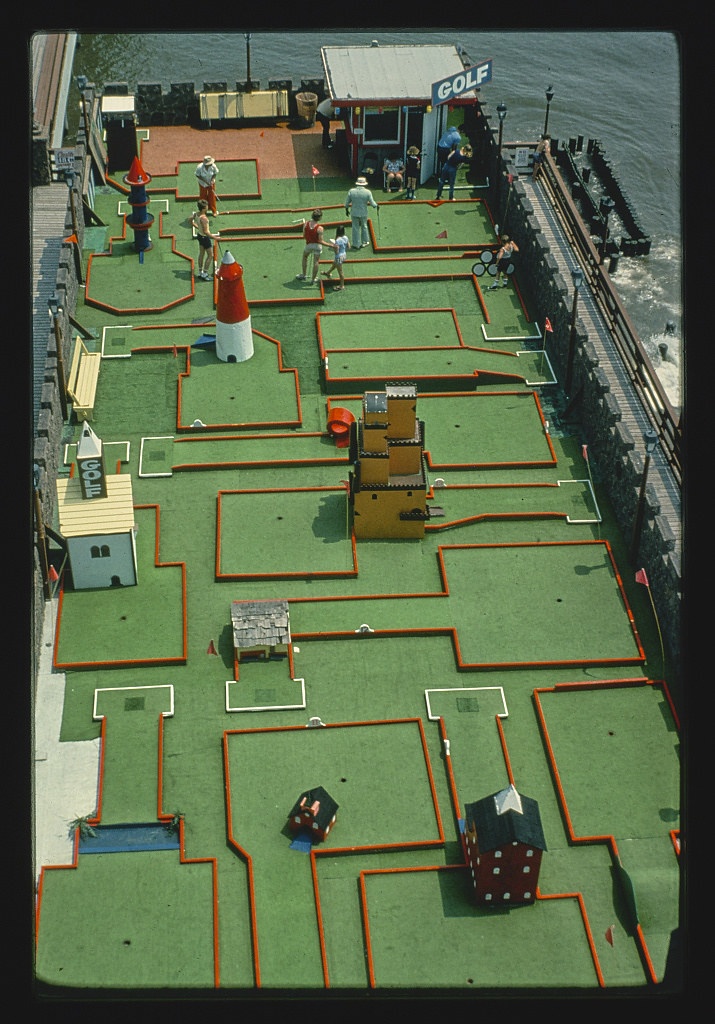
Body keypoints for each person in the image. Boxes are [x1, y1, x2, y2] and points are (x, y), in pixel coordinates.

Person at [344, 176, 379, 250]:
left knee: (355, 227)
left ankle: (356, 244)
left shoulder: (351, 191)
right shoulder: (368, 192)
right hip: (363, 212)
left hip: (354, 212)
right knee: (364, 226)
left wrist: (347, 210)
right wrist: (376, 206)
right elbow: (372, 203)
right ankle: (365, 241)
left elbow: (347, 203)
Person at [191, 200, 220, 280]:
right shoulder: (204, 219)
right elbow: (206, 232)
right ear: (204, 208)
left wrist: (197, 226)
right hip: (204, 238)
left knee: (201, 254)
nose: (208, 207)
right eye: (207, 206)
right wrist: (215, 238)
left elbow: (190, 220)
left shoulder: (196, 214)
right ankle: (205, 273)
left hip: (199, 236)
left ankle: (200, 272)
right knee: (210, 255)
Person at [296, 209, 324, 285]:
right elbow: (320, 241)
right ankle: (313, 279)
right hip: (317, 246)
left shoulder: (306, 224)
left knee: (305, 257)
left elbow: (304, 236)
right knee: (316, 261)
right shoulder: (320, 228)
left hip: (309, 245)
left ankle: (304, 275)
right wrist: (331, 245)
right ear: (319, 218)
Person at [321, 225, 349, 290]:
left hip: (339, 256)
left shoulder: (338, 240)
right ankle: (328, 273)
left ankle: (342, 286)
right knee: (334, 264)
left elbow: (336, 251)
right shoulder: (346, 237)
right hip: (344, 255)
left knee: (340, 271)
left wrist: (333, 246)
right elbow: (348, 246)